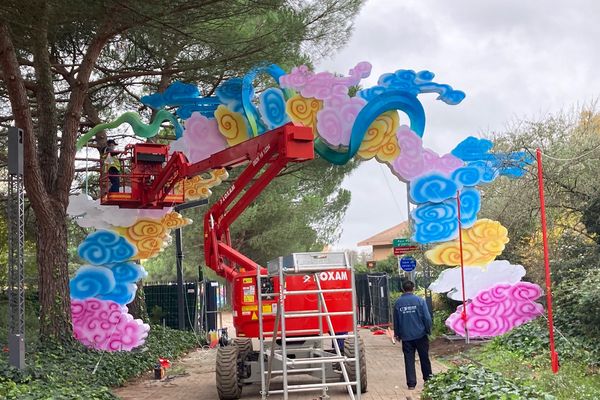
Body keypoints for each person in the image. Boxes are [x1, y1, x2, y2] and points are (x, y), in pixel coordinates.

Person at [393, 280, 432, 390]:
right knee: (424, 358)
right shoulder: (420, 301)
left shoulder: (398, 303)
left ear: (403, 289)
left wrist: (397, 334)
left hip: (406, 337)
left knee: (409, 360)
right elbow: (427, 318)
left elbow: (396, 320)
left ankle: (411, 384)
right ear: (413, 288)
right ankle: (428, 380)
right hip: (421, 335)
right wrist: (428, 330)